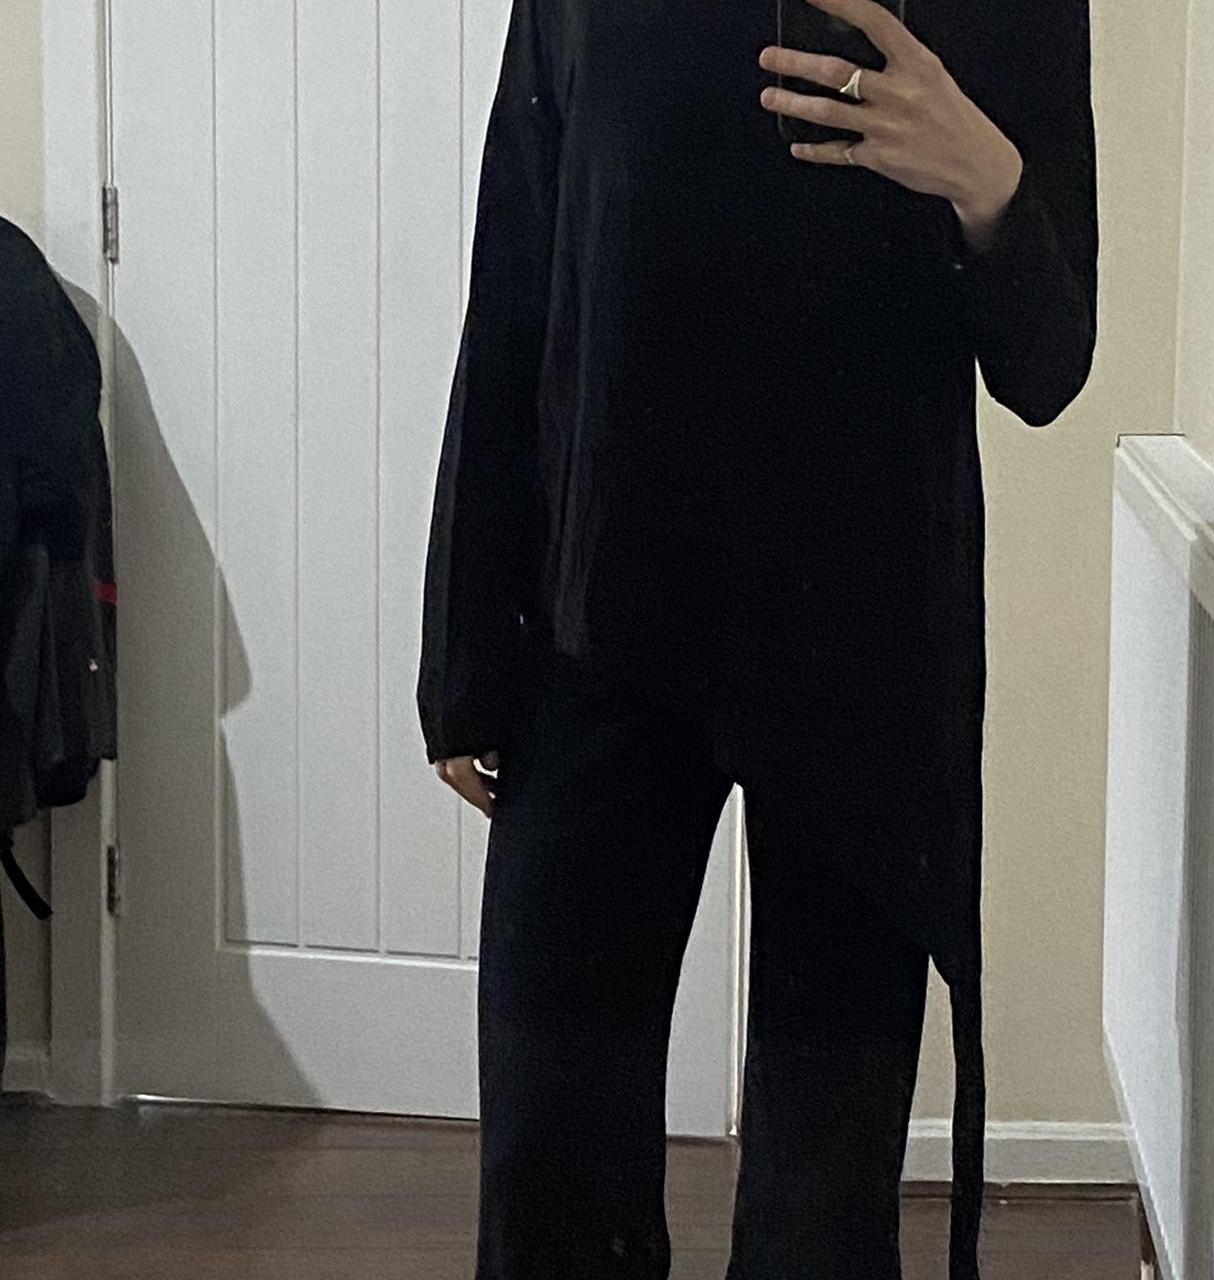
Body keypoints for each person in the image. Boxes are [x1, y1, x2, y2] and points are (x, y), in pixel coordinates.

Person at [417, 0, 1098, 1275]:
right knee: (550, 1169)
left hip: (866, 643)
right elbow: (515, 269)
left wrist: (986, 182)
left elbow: (1048, 362)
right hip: (597, 626)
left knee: (821, 1204)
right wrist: (465, 643)